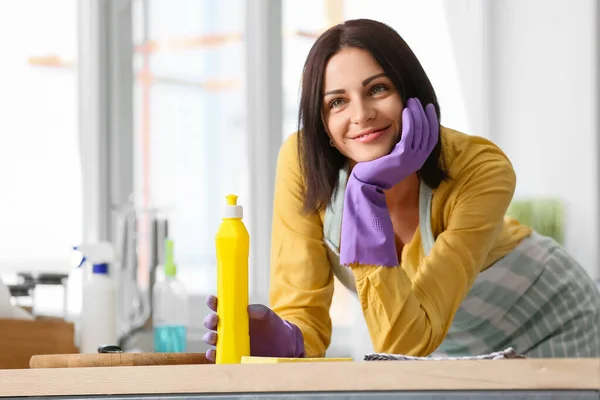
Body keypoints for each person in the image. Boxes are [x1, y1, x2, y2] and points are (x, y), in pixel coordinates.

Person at [202, 18, 600, 361]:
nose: (361, 115)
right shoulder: (303, 164)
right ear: (321, 121)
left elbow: (404, 345)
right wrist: (283, 342)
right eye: (337, 102)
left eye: (377, 89)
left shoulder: (480, 168)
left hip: (552, 322)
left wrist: (365, 195)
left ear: (410, 93)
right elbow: (310, 319)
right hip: (448, 347)